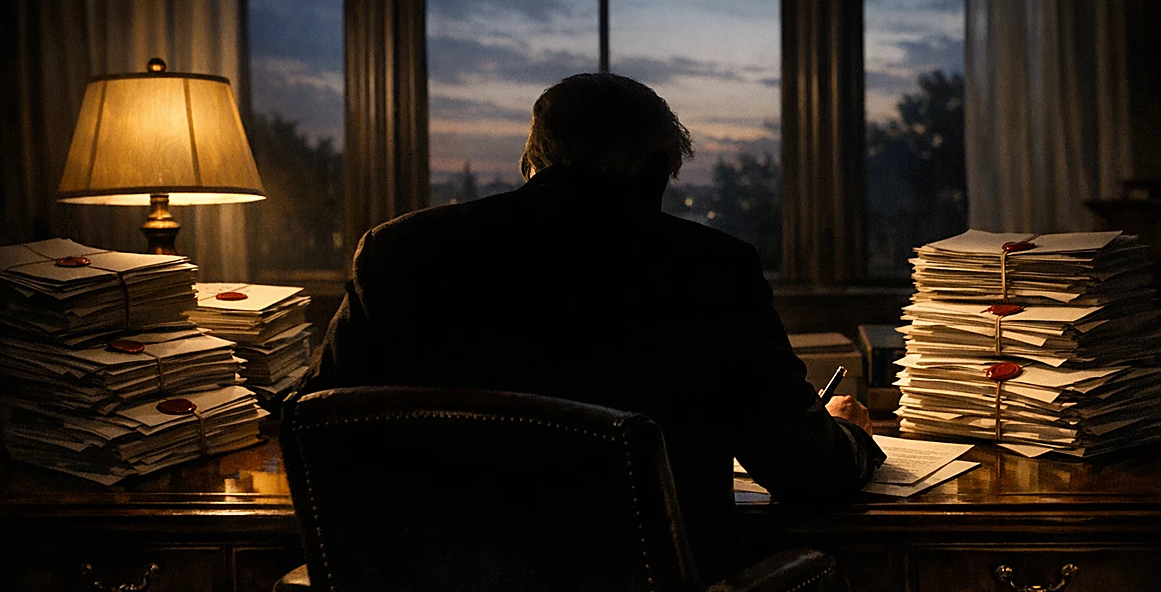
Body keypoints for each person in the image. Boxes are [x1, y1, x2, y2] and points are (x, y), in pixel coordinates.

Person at [297, 72, 884, 579]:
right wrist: (847, 434)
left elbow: (313, 425)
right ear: (656, 173)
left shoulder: (397, 252)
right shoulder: (709, 267)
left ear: (533, 162)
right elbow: (806, 473)